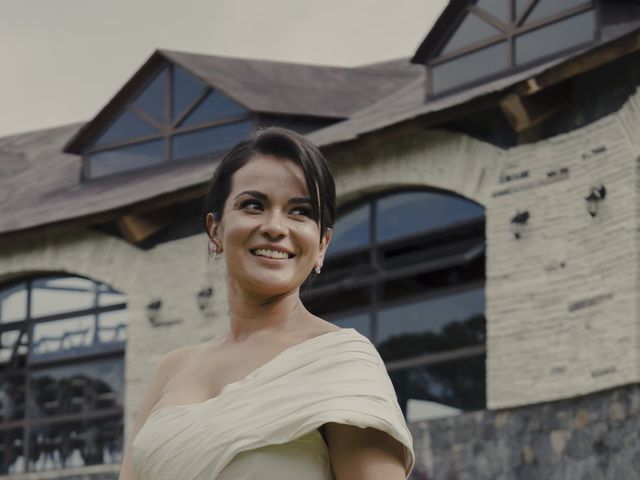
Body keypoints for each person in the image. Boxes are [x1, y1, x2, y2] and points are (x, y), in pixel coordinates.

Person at [118, 127, 415, 479]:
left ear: (322, 244)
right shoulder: (172, 369)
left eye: (300, 211)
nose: (275, 227)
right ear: (215, 231)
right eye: (253, 205)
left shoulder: (340, 363)